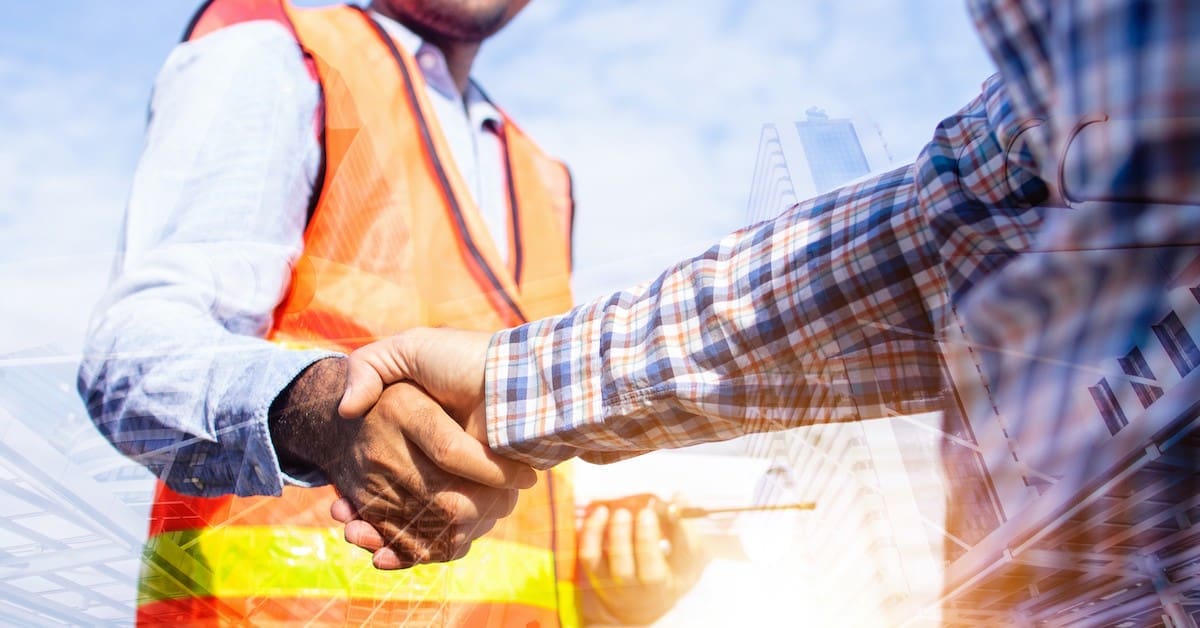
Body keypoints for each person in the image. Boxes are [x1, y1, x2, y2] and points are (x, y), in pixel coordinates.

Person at [334, 0, 1200, 622]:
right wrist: (513, 392)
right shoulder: (288, 51)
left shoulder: (542, 181)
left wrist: (510, 396)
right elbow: (959, 232)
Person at [78, 0, 702, 625]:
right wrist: (322, 411)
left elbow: (511, 551)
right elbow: (132, 356)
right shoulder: (285, 59)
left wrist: (607, 594)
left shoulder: (544, 179)